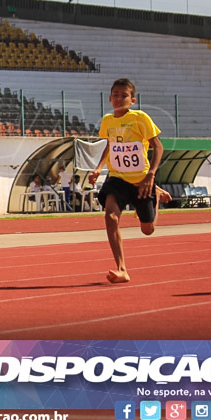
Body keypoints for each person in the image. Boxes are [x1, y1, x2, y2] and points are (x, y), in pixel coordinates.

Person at [88, 78, 165, 285]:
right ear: (110, 97)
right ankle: (122, 269)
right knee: (111, 217)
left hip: (142, 179)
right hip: (117, 179)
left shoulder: (140, 118)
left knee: (147, 229)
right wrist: (98, 168)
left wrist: (152, 175)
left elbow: (158, 146)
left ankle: (155, 196)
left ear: (132, 99)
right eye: (116, 95)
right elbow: (109, 146)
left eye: (124, 96)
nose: (119, 98)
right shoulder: (107, 121)